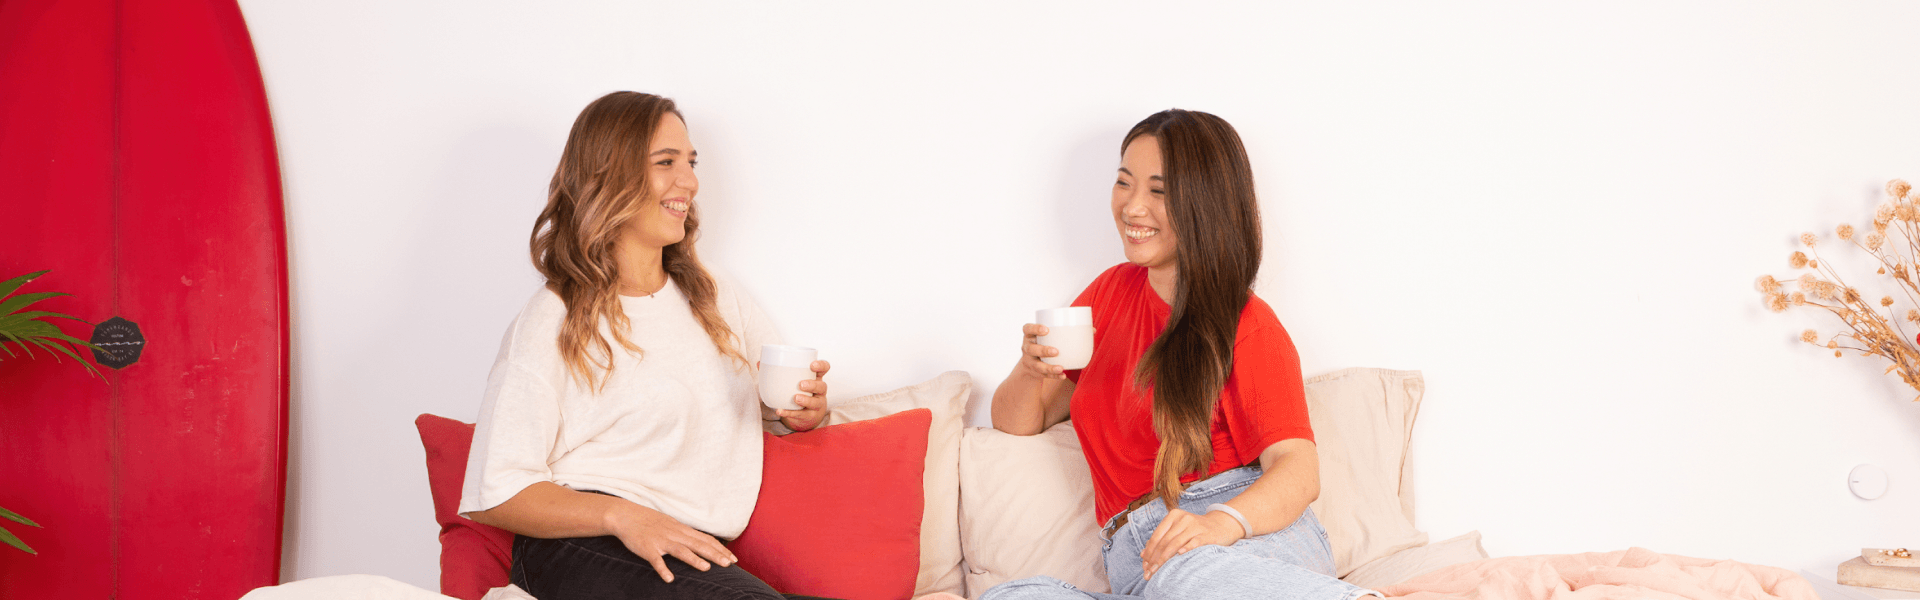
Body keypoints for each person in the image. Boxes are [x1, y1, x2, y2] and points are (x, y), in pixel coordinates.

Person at [981, 110, 1379, 600]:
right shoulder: (1108, 294)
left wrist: (1218, 525)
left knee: (1187, 576)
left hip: (1234, 542)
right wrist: (1029, 370)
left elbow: (1298, 468)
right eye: (1124, 183)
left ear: (1202, 203)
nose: (1132, 207)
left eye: (1158, 191)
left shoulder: (1246, 323)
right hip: (1138, 562)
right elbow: (1018, 421)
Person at [457, 91, 836, 600]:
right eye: (666, 162)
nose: (691, 181)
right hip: (585, 543)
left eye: (691, 162)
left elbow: (768, 406)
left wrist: (800, 412)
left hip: (687, 551)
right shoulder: (556, 317)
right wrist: (624, 517)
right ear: (608, 175)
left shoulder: (715, 295)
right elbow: (496, 491)